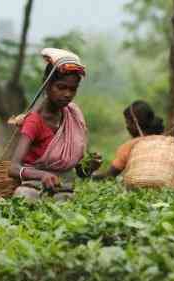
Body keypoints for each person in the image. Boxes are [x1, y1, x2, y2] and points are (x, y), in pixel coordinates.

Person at [9, 48, 100, 201]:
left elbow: (79, 171)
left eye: (73, 89)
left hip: (64, 191)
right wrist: (43, 175)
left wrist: (89, 167)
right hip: (33, 188)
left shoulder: (73, 116)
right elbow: (13, 168)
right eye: (61, 87)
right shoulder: (34, 121)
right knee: (24, 197)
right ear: (47, 84)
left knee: (68, 202)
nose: (67, 94)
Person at [92, 100, 164, 180]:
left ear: (135, 123)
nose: (127, 127)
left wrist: (91, 175)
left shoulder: (130, 146)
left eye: (127, 122)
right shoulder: (166, 142)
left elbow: (110, 176)